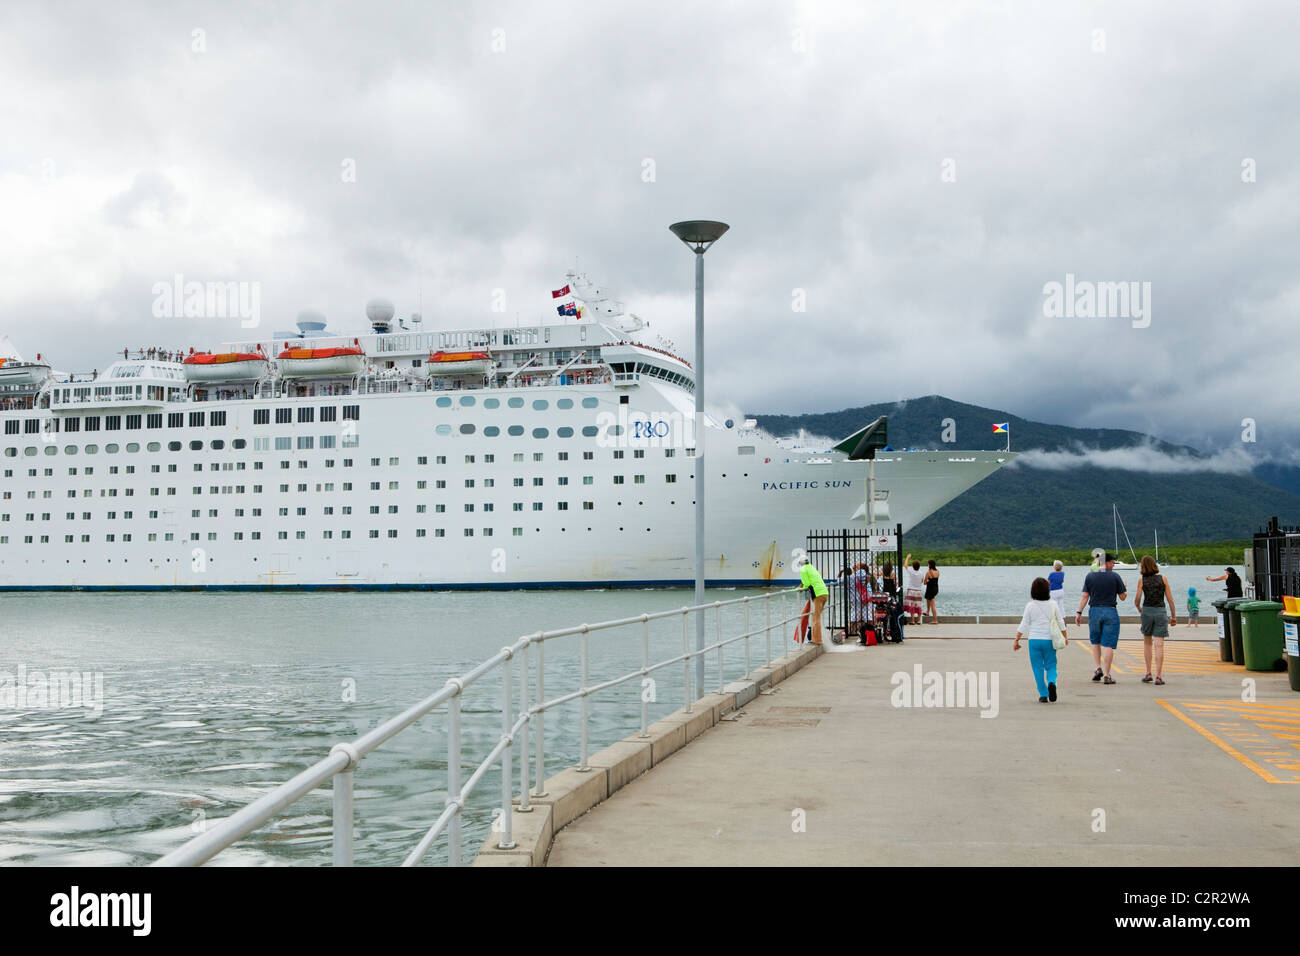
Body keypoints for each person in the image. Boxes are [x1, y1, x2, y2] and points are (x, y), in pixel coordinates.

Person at [1076, 552, 1127, 684]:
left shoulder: (1090, 576)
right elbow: (1122, 597)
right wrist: (1124, 589)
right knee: (1108, 644)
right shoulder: (1115, 576)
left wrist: (1079, 612)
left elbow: (1085, 596)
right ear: (1108, 563)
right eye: (1113, 563)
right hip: (1110, 610)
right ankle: (1107, 674)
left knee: (1095, 641)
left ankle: (1098, 668)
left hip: (1094, 611)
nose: (1114, 565)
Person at [1014, 577, 1067, 702]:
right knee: (1051, 665)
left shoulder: (1030, 606)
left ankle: (1043, 695)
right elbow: (1060, 622)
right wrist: (1065, 636)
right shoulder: (1053, 604)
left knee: (1037, 668)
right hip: (1049, 640)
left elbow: (1024, 624)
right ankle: (1052, 683)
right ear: (1047, 590)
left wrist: (1017, 640)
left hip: (1034, 640)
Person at [1135, 555, 1176, 685]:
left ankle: (1148, 673)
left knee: (1147, 643)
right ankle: (1158, 676)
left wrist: (1139, 608)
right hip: (1160, 611)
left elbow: (1137, 599)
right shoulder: (1163, 579)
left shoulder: (1141, 580)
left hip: (1147, 611)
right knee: (1159, 645)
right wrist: (1173, 616)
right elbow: (1170, 599)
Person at [798, 557, 828, 646]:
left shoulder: (803, 569)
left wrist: (800, 588)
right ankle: (816, 638)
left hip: (817, 594)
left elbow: (806, 583)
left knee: (815, 618)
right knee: (817, 616)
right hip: (824, 593)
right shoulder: (812, 567)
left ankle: (817, 640)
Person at [902, 554, 925, 624]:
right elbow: (922, 581)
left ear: (913, 566)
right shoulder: (921, 573)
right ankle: (918, 620)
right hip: (918, 591)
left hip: (911, 590)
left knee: (911, 606)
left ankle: (912, 620)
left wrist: (907, 558)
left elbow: (905, 565)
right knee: (918, 605)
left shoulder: (911, 572)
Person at [1048, 560, 1067, 627]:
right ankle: (1064, 622)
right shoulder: (1062, 573)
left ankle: (1053, 623)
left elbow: (1048, 583)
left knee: (1052, 607)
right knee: (1061, 607)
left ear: (1054, 567)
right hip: (1061, 591)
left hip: (1053, 592)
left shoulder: (1052, 574)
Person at [923, 559, 940, 624]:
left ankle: (935, 620)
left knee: (933, 605)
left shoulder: (929, 572)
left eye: (928, 564)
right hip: (936, 588)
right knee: (928, 598)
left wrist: (927, 582)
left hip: (930, 589)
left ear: (930, 565)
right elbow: (935, 580)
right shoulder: (938, 571)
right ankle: (927, 611)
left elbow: (924, 582)